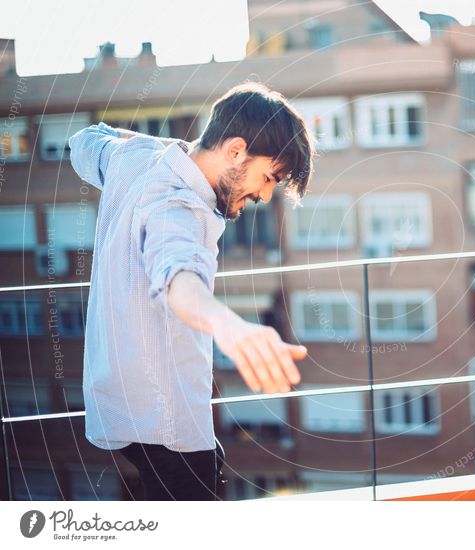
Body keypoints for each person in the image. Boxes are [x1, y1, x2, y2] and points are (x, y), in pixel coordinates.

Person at [69, 83, 315, 500]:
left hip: (120, 397)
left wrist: (184, 147)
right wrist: (229, 326)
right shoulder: (179, 206)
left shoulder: (135, 158)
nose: (264, 194)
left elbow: (83, 141)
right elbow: (177, 275)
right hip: (164, 414)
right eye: (269, 176)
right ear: (236, 150)